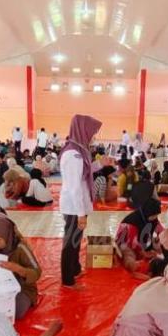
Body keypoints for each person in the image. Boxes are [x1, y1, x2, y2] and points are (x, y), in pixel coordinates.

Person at [60, 115, 102, 289]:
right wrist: (80, 214)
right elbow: (74, 187)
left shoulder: (79, 150)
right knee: (70, 242)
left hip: (78, 205)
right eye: (92, 132)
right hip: (74, 207)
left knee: (76, 239)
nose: (94, 136)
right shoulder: (73, 154)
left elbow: (84, 172)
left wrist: (100, 164)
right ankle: (67, 280)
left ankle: (75, 269)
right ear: (83, 131)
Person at [0, 215, 41, 319]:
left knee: (16, 309)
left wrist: (19, 269)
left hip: (23, 288)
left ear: (7, 235)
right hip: (0, 286)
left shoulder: (20, 248)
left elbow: (37, 272)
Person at [116, 199, 162, 275]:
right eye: (154, 215)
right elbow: (133, 242)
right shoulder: (132, 222)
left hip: (141, 241)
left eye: (156, 215)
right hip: (126, 243)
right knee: (129, 255)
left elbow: (160, 230)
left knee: (161, 244)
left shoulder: (151, 217)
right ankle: (135, 267)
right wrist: (144, 252)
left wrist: (164, 239)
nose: (155, 217)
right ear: (148, 212)